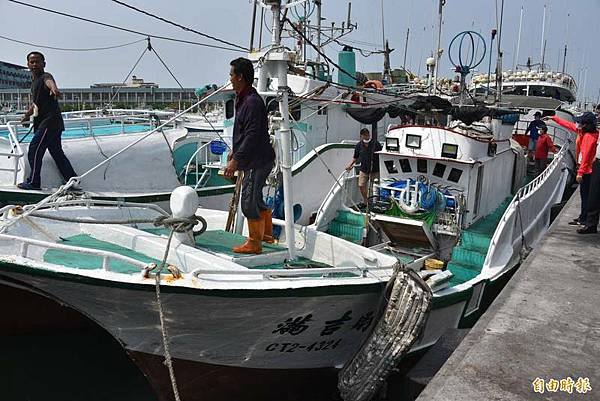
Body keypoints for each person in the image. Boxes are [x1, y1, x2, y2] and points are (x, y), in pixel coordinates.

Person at [223, 57, 275, 254]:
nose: (230, 78)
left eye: (231, 74)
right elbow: (244, 132)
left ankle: (254, 243)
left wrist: (236, 161)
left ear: (240, 77)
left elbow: (252, 136)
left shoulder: (251, 102)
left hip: (257, 161)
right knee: (256, 197)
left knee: (248, 202)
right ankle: (267, 236)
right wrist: (235, 153)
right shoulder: (244, 98)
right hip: (258, 158)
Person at [17, 52, 76, 191]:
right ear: (28, 65)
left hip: (49, 123)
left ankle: (33, 182)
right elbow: (36, 104)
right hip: (51, 123)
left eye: (37, 62)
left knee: (34, 149)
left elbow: (50, 83)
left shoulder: (45, 77)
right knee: (56, 152)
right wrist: (26, 116)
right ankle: (72, 180)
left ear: (44, 64)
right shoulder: (34, 82)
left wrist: (54, 89)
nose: (34, 64)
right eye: (32, 62)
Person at [548, 112, 599, 229]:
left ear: (586, 125)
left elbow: (586, 156)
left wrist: (580, 173)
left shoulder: (588, 137)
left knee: (586, 195)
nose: (578, 124)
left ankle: (584, 219)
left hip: (587, 170)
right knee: (585, 194)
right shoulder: (583, 132)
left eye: (580, 122)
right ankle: (583, 216)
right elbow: (569, 125)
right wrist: (554, 118)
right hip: (586, 168)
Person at [345, 128, 383, 206]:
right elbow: (355, 157)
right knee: (361, 185)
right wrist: (350, 165)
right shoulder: (359, 145)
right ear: (361, 136)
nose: (367, 136)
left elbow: (381, 155)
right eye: (365, 135)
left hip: (375, 169)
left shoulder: (376, 144)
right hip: (364, 169)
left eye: (368, 134)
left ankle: (376, 202)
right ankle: (366, 200)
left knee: (375, 186)